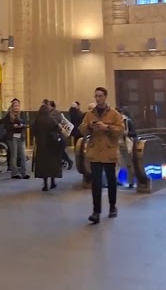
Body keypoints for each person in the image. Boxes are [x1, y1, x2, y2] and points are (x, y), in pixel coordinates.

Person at [80, 86, 125, 224]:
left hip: (109, 150)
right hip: (95, 151)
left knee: (111, 181)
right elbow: (82, 129)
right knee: (96, 183)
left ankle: (112, 206)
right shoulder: (89, 114)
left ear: (105, 97)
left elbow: (121, 130)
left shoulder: (114, 114)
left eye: (100, 96)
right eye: (96, 96)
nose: (97, 98)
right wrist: (90, 127)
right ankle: (96, 211)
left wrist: (107, 127)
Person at [31, 102, 64, 191]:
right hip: (52, 146)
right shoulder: (51, 120)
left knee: (43, 167)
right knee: (52, 165)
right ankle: (53, 182)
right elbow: (58, 129)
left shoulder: (37, 121)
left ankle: (45, 185)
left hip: (41, 147)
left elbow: (33, 131)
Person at [1, 99, 28, 179]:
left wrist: (22, 125)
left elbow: (26, 123)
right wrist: (13, 126)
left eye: (18, 106)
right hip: (12, 137)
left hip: (21, 136)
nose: (16, 107)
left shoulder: (22, 114)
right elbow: (6, 126)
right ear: (12, 107)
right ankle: (14, 173)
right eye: (15, 106)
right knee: (14, 155)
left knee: (23, 155)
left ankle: (24, 172)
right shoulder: (8, 115)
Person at [49, 101, 73, 170]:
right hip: (57, 136)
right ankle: (64, 162)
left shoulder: (56, 113)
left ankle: (68, 161)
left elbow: (55, 123)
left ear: (52, 106)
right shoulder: (52, 113)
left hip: (60, 136)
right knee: (59, 151)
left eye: (49, 106)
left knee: (60, 151)